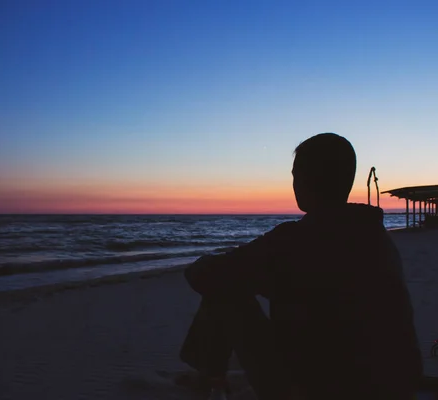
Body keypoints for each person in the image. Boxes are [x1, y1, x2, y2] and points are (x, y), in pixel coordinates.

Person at [178, 133, 423, 400]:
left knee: (223, 291)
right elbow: (328, 292)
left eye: (295, 175)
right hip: (398, 386)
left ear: (306, 179)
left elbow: (205, 276)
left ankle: (210, 378)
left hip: (315, 388)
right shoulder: (374, 236)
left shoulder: (297, 239)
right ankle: (211, 376)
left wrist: (204, 264)